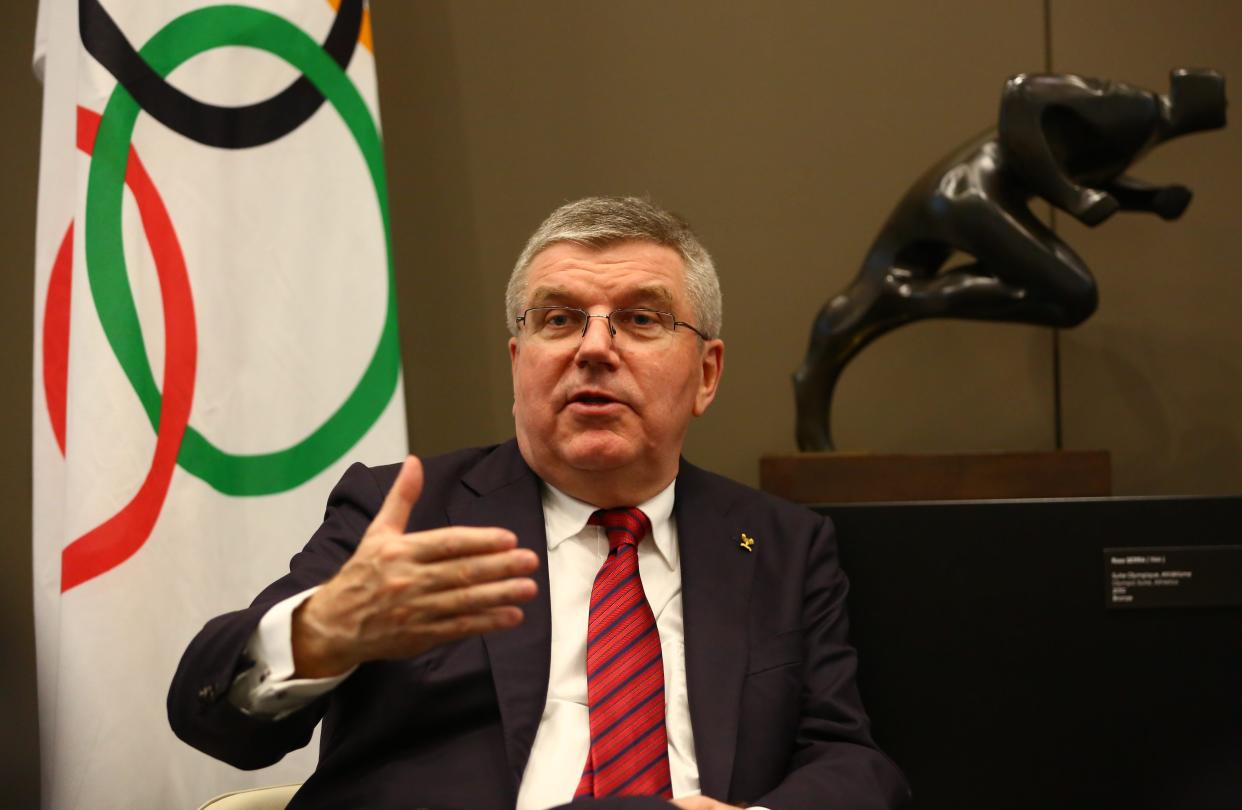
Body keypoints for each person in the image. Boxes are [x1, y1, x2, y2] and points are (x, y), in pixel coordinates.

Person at [169, 196, 910, 810]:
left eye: (642, 319)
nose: (594, 348)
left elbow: (849, 760)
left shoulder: (779, 542)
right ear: (518, 361)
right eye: (557, 319)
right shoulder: (407, 510)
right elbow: (214, 719)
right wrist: (321, 631)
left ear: (707, 374)